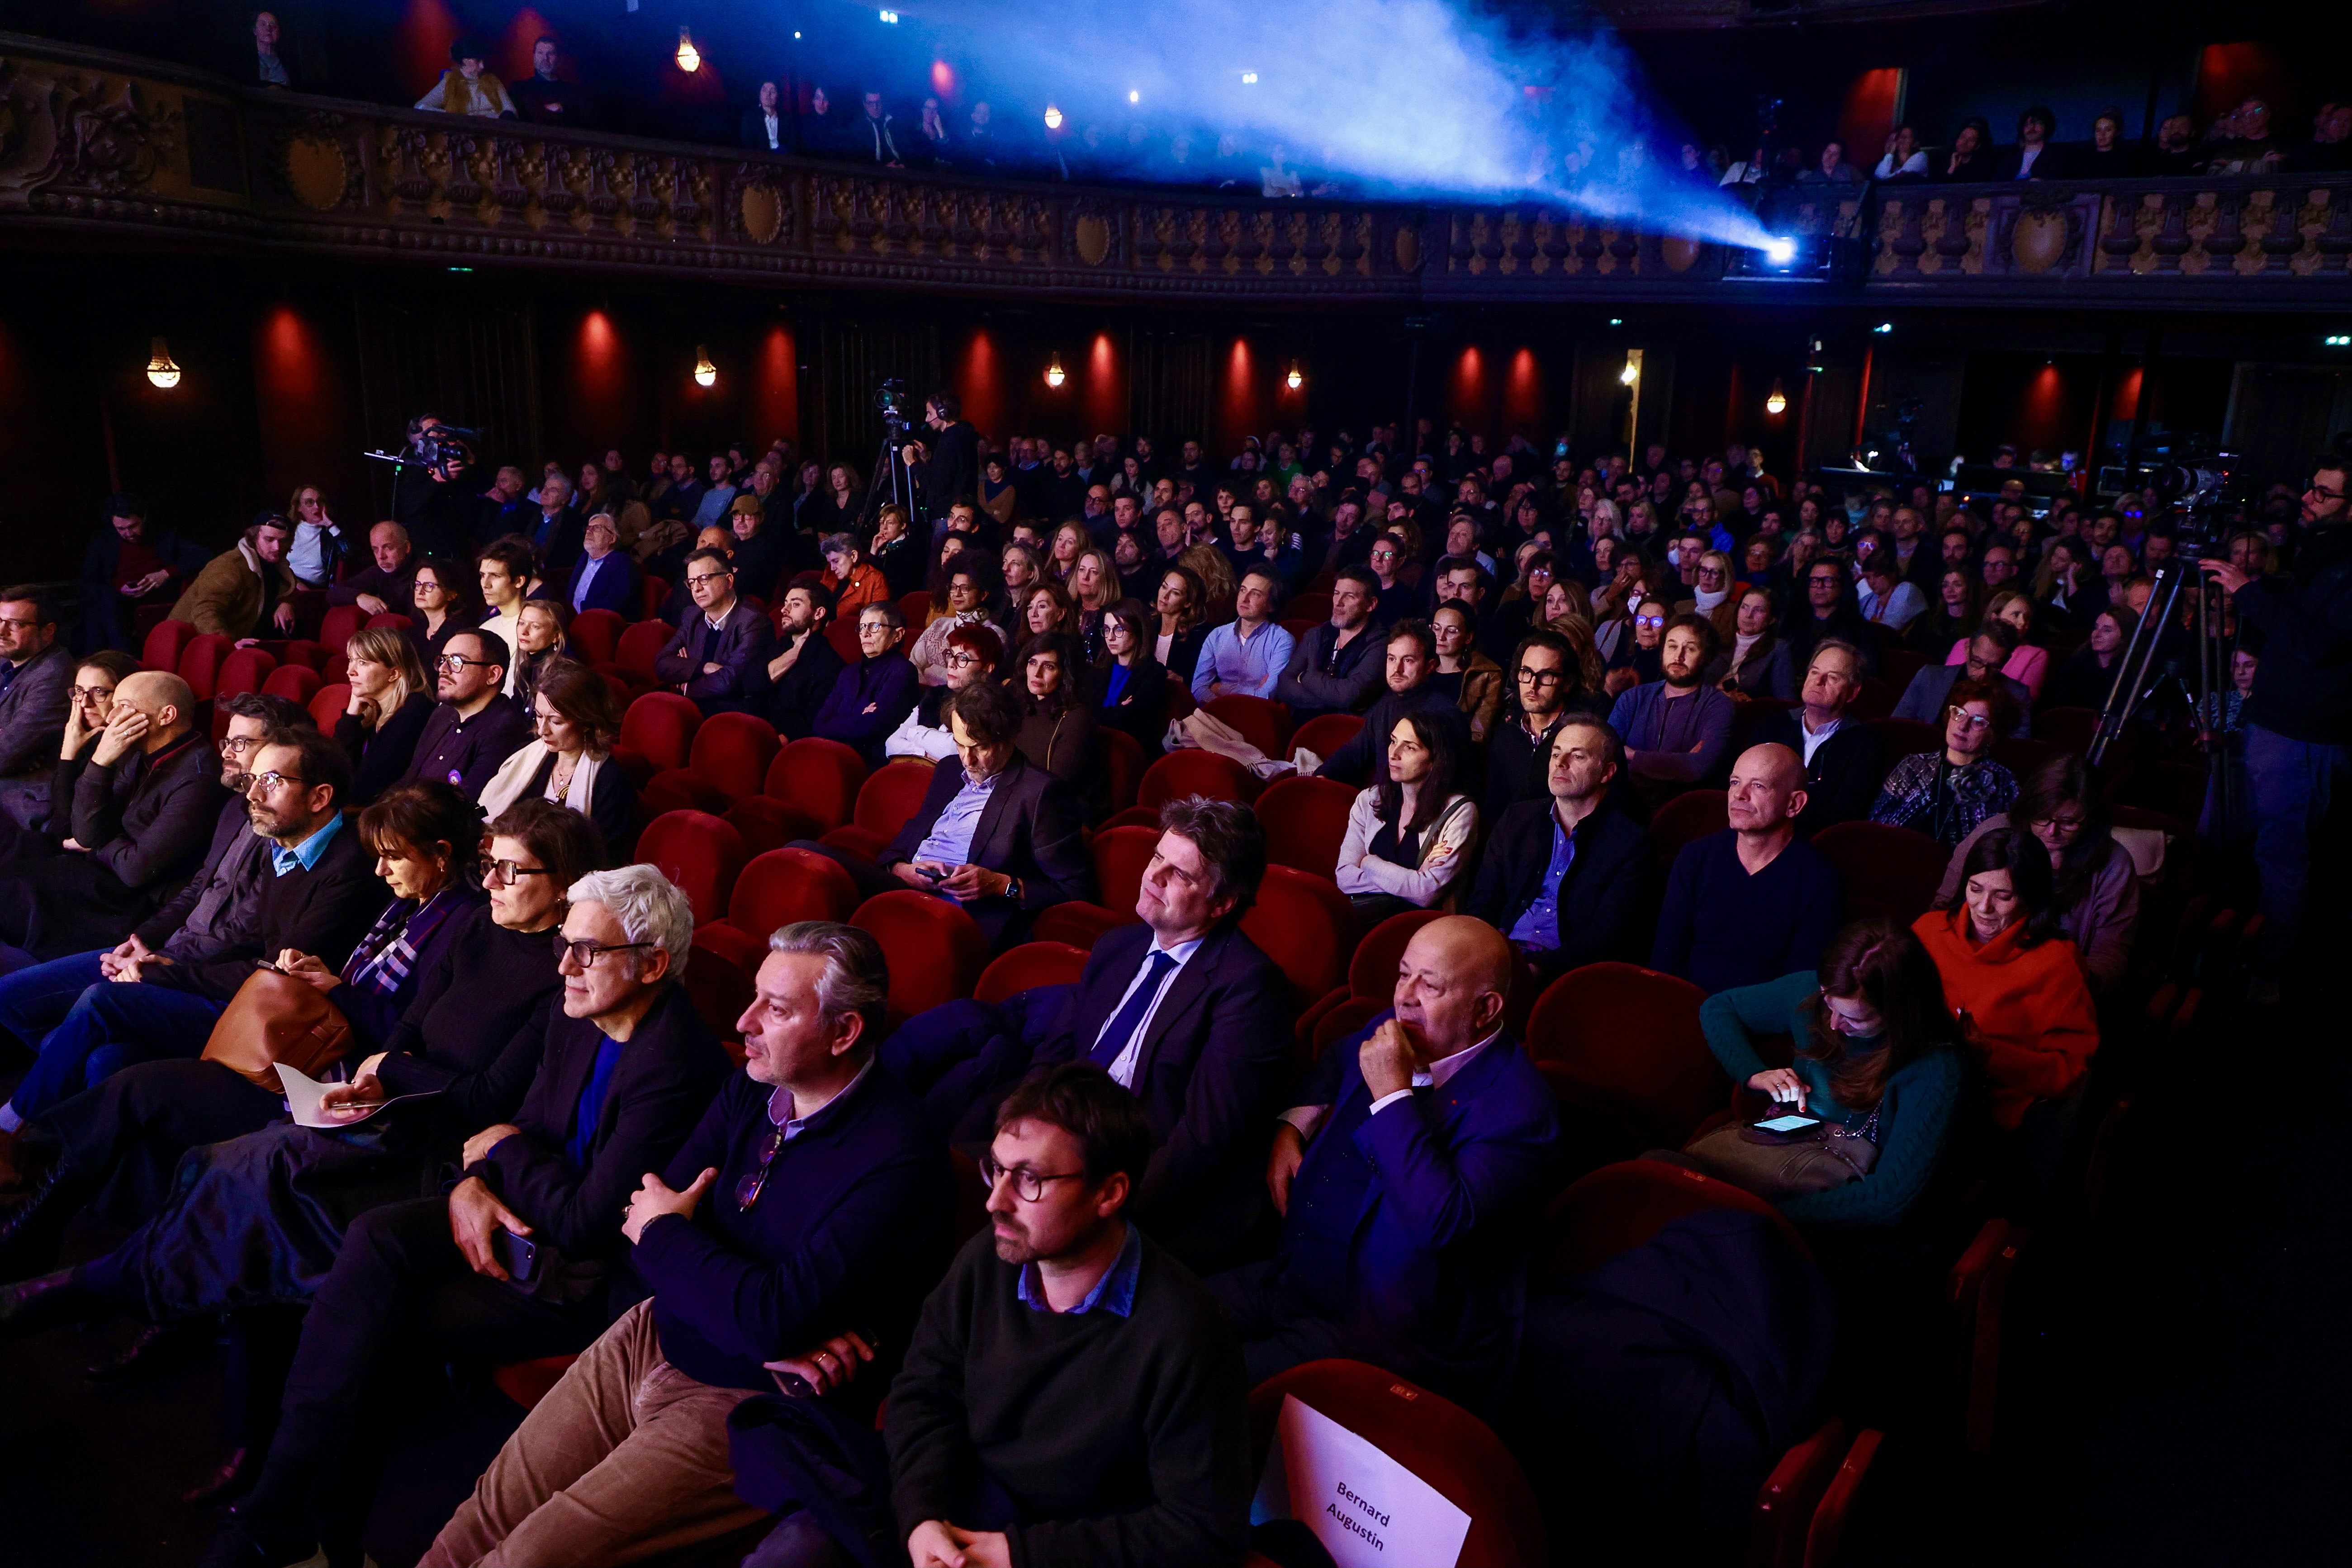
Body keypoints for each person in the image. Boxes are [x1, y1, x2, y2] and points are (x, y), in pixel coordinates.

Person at [143, 865, 728, 1568]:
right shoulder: (578, 1015)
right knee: (373, 1238)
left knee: (380, 1326)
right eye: (564, 945)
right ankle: (286, 1509)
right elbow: (523, 1126)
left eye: (588, 950)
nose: (566, 965)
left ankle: (302, 1523)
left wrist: (503, 1154)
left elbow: (585, 1219)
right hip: (516, 1215)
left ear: (653, 962)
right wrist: (477, 1178)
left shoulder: (677, 1061)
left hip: (580, 1277)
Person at [420, 922, 949, 1567]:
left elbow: (750, 1302)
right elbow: (638, 1217)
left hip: (748, 1401)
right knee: (481, 1516)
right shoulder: (753, 1085)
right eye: (755, 995)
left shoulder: (901, 1157)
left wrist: (678, 1237)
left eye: (776, 1009)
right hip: (651, 1330)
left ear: (844, 1032)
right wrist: (745, 1303)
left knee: (528, 1557)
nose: (746, 1019)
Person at [0, 781, 484, 1271]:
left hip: (332, 1088)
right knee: (113, 1061)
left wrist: (335, 989)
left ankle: (39, 1213)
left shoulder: (460, 926)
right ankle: (126, 1240)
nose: (380, 870)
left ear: (440, 853)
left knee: (128, 1076)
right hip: (301, 1054)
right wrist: (318, 974)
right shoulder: (409, 903)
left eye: (392, 858)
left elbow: (410, 1033)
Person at [885, 1062, 1251, 1568]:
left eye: (1029, 1179)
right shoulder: (985, 1259)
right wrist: (922, 1516)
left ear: (1109, 1192)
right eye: (995, 1168)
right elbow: (923, 1392)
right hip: (958, 1517)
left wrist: (1018, 1554)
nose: (995, 1201)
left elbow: (1202, 1527)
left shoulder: (1185, 1331)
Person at [1217, 916, 1560, 1412]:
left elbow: (1441, 1221)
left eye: (1431, 984)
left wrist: (1393, 1095)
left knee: (1202, 1386)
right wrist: (1291, 1126)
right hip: (1287, 1274)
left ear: (1485, 1009)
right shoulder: (1400, 1025)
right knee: (1151, 1322)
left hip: (1367, 1330)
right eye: (1403, 974)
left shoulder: (1521, 1109)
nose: (1404, 996)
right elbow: (1337, 1059)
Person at [0, 729, 374, 1133]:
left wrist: (165, 971)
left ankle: (12, 1129)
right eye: (255, 779)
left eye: (272, 781)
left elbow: (281, 974)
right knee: (103, 1059)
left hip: (274, 1020)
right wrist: (152, 951)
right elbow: (252, 935)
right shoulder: (283, 843)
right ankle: (57, 1149)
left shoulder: (348, 868)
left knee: (102, 1000)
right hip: (236, 988)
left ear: (320, 797)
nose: (252, 795)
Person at [1030, 797, 1290, 1270]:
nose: (1153, 876)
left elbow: (1201, 1141)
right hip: (1062, 1146)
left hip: (1142, 1183)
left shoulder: (1251, 987)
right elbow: (1052, 1058)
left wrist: (1100, 1210)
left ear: (1222, 903)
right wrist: (1022, 1139)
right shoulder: (1116, 946)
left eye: (1181, 874)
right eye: (1157, 857)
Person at [2196, 451, 2352, 998]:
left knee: (2282, 857)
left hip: (2303, 736)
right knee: (2241, 839)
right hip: (2272, 724)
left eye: (2323, 494)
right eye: (2311, 488)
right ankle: (2226, 936)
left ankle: (2267, 971)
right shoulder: (2318, 554)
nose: (2308, 498)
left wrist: (2246, 592)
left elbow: (2314, 642)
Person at [1693, 919, 1967, 1228]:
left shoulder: (1935, 1065)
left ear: (1899, 1013)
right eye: (1828, 1003)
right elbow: (1719, 1008)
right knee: (1662, 1169)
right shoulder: (1808, 991)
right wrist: (1755, 1074)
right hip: (1771, 1164)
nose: (1834, 1024)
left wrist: (1765, 1216)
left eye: (1855, 1018)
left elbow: (1889, 1199)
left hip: (1829, 1211)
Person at [816, 683, 1092, 952]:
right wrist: (901, 869)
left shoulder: (1041, 792)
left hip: (962, 915)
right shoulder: (949, 769)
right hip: (905, 887)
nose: (967, 760)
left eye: (980, 748)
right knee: (807, 858)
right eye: (961, 745)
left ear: (1009, 738)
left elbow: (1073, 889)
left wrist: (999, 885)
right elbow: (908, 837)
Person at [0, 670, 223, 966]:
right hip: (102, 871)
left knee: (15, 890)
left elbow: (135, 870)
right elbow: (82, 830)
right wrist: (100, 763)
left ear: (166, 715)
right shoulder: (138, 752)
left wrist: (97, 844)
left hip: (131, 900)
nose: (112, 716)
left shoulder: (198, 777)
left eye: (125, 706)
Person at [1913, 828, 2098, 1152]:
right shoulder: (1929, 930)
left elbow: (2072, 1072)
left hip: (1984, 1111)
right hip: (1906, 1080)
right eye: (1975, 889)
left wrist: (1992, 1054)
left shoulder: (2058, 963)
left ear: (2029, 896)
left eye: (2003, 896)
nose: (1984, 908)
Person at [1468, 717, 1654, 982]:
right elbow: (1484, 901)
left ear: (1607, 772)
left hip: (1565, 974)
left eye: (1577, 756)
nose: (1560, 763)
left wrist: (1538, 970)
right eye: (1556, 753)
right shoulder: (1517, 819)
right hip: (1499, 955)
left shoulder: (1631, 844)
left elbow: (1606, 934)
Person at [1935, 754, 2139, 992]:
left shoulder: (2114, 864)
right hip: (1970, 968)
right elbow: (1944, 908)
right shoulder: (1993, 832)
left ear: (2091, 820)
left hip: (2056, 987)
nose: (2052, 832)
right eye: (2042, 818)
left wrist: (2061, 986)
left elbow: (2109, 956)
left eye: (2069, 822)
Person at [1652, 744, 1845, 993]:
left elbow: (1799, 988)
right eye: (1734, 782)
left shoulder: (1820, 879)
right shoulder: (1695, 857)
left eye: (1758, 786)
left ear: (1794, 804)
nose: (1739, 795)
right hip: (1683, 1005)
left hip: (1763, 1022)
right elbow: (1666, 958)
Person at [479, 658, 636, 858]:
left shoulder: (612, 783)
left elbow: (603, 859)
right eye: (538, 716)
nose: (543, 731)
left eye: (556, 721)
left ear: (587, 721)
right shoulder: (527, 756)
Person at [1336, 710, 1479, 920]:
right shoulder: (1370, 799)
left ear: (1435, 760)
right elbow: (1345, 877)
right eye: (1393, 742)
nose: (1394, 754)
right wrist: (1413, 879)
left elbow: (1426, 894)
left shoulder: (1460, 812)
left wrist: (1367, 863)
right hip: (1366, 917)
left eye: (1410, 747)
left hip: (1421, 926)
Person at [1751, 640, 1887, 838]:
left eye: (1833, 677)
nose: (1819, 681)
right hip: (1757, 834)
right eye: (1814, 672)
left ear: (1852, 692)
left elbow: (1844, 816)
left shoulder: (1865, 745)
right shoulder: (1773, 726)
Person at [1871, 677, 2019, 848]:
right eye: (1959, 714)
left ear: (1994, 734)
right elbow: (1876, 823)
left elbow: (1999, 850)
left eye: (1978, 722)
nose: (1963, 727)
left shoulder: (2004, 783)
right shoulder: (1912, 765)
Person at [1609, 613, 1737, 794]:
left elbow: (1698, 767)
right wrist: (1679, 761)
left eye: (1690, 649)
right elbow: (1605, 753)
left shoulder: (1718, 705)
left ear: (1706, 657)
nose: (1679, 656)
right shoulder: (1633, 698)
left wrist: (1632, 755)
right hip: (1625, 797)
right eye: (1672, 646)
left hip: (1682, 806)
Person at [402, 629, 532, 802]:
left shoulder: (505, 730)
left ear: (493, 675)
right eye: (443, 660)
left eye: (456, 661)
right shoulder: (443, 713)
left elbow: (465, 806)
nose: (442, 669)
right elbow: (409, 779)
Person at [78, 494, 208, 654]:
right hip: (119, 599)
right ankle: (126, 658)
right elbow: (89, 580)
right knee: (102, 601)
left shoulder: (165, 535)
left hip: (159, 593)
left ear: (143, 518)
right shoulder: (103, 541)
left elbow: (202, 555)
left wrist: (165, 573)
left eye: (133, 526)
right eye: (121, 529)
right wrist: (119, 588)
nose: (128, 533)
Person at [655, 547, 773, 716]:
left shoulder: (753, 622)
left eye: (703, 579)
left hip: (731, 715)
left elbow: (729, 681)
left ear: (729, 581)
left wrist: (688, 686)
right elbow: (662, 663)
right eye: (691, 582)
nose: (696, 589)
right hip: (693, 710)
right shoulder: (692, 615)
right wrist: (704, 667)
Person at [0, 588, 75, 837]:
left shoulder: (54, 675)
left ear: (48, 631)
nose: (2, 631)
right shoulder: (6, 660)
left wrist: (8, 740)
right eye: (0, 621)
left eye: (15, 624)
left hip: (22, 801)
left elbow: (5, 755)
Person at [333, 626, 436, 807]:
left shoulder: (414, 714)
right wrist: (352, 715)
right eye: (351, 660)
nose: (351, 671)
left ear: (394, 673)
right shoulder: (373, 710)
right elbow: (333, 768)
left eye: (363, 663)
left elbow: (366, 789)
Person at [811, 601, 921, 771]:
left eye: (874, 626)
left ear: (898, 635)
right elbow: (820, 723)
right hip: (835, 757)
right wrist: (859, 716)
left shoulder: (903, 672)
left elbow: (870, 727)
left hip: (871, 766)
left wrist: (842, 721)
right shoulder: (849, 671)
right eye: (862, 627)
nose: (865, 634)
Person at [1271, 566, 1385, 723]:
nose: (1338, 602)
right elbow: (1284, 685)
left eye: (1350, 596)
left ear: (1371, 604)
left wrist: (1305, 676)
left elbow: (1348, 695)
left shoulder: (1380, 644)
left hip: (1341, 734)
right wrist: (1332, 700)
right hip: (1298, 727)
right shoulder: (1317, 634)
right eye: (1337, 593)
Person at [1891, 622, 2034, 737]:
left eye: (1994, 667)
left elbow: (2015, 752)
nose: (1983, 673)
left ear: (2006, 660)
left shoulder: (2018, 695)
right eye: (1977, 661)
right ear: (1967, 649)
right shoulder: (1930, 677)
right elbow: (1897, 727)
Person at [171, 514, 299, 642]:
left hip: (241, 637)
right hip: (192, 642)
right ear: (254, 538)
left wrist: (285, 603)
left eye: (283, 541)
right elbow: (204, 612)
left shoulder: (278, 565)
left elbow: (287, 588)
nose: (277, 548)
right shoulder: (230, 567)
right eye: (269, 539)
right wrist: (229, 643)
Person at [887, 624, 1002, 764]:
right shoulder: (936, 695)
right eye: (951, 656)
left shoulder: (992, 704)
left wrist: (914, 733)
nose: (951, 664)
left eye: (963, 658)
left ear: (987, 668)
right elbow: (891, 744)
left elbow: (953, 748)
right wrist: (926, 754)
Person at [1189, 568, 1295, 703]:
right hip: (1214, 715)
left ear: (1271, 606)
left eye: (1255, 594)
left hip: (1256, 717)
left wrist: (1221, 689)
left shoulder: (1282, 641)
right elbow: (1198, 689)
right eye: (1243, 590)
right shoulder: (1217, 635)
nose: (1245, 599)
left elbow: (1267, 695)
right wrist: (1223, 707)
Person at [764, 580, 848, 740]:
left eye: (795, 605)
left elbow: (809, 723)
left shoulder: (830, 665)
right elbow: (751, 683)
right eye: (786, 603)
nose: (784, 610)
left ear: (818, 614)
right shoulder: (780, 645)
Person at [1091, 601, 1171, 762]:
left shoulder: (1154, 673)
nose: (1111, 637)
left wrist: (1105, 714)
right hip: (1095, 748)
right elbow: (1084, 714)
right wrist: (1118, 709)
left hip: (1132, 756)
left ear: (1138, 630)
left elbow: (1130, 721)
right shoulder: (1099, 670)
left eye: (1119, 629)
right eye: (1107, 630)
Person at [1943, 589, 2049, 701]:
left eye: (2027, 618)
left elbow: (2022, 703)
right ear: (1995, 617)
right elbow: (1946, 685)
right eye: (2016, 615)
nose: (2023, 623)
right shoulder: (1964, 644)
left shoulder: (2036, 655)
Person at [1430, 600, 1505, 742]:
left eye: (1451, 631)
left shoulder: (1487, 674)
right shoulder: (1422, 666)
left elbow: (1478, 734)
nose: (1441, 636)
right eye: (1436, 628)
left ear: (1468, 637)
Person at [2041, 606, 2137, 712]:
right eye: (2096, 628)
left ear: (2125, 636)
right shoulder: (2077, 662)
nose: (2096, 634)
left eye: (2107, 630)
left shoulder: (2129, 674)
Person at [325, 521, 419, 619]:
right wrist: (359, 597)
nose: (381, 556)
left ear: (407, 547)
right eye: (375, 549)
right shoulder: (378, 571)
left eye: (388, 548)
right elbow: (333, 593)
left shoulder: (424, 572)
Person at [552, 510, 637, 615]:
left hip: (596, 622)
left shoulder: (621, 562)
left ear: (612, 538)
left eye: (597, 528)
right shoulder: (584, 557)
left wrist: (584, 612)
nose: (589, 531)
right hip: (571, 619)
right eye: (588, 528)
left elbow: (616, 602)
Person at [414, 37, 515, 118]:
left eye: (483, 61)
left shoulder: (493, 81)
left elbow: (510, 110)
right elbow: (421, 107)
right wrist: (453, 116)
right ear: (464, 60)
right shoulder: (451, 82)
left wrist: (496, 118)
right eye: (478, 61)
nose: (482, 66)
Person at [405, 557, 478, 669]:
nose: (420, 591)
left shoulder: (459, 632)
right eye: (418, 584)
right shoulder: (415, 630)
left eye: (429, 586)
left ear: (452, 594)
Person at [507, 597, 573, 718]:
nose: (524, 631)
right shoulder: (526, 668)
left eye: (536, 626)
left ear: (556, 636)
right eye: (521, 623)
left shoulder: (562, 675)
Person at [509, 34, 589, 128]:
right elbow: (532, 120)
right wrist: (562, 109)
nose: (545, 59)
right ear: (534, 57)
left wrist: (543, 110)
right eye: (540, 53)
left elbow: (582, 123)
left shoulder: (572, 92)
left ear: (559, 60)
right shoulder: (520, 89)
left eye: (550, 54)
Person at [820, 533, 891, 621]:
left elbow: (879, 619)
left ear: (854, 556)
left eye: (836, 561)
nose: (832, 568)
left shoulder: (875, 579)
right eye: (830, 563)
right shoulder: (830, 573)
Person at [742, 79, 788, 152]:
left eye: (773, 91)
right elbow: (748, 143)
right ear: (760, 94)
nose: (768, 94)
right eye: (764, 90)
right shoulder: (750, 117)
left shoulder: (787, 118)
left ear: (778, 96)